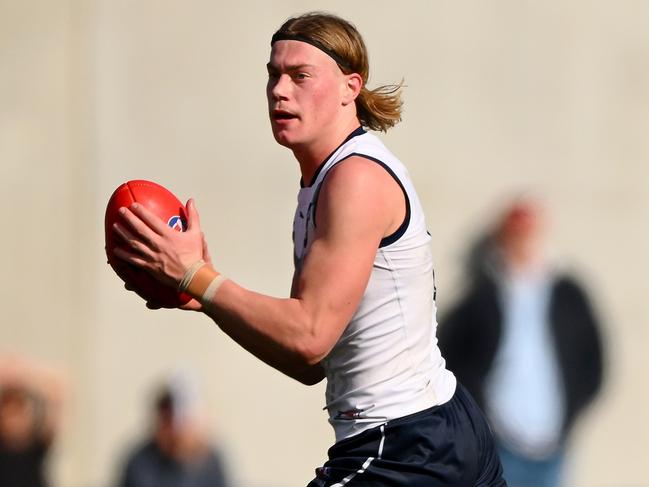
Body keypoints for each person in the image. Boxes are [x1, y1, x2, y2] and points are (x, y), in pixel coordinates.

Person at [111, 12, 506, 486]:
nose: (280, 89)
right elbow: (308, 364)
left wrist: (197, 274)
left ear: (350, 87)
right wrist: (203, 297)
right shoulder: (321, 184)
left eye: (300, 76)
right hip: (432, 432)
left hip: (405, 444)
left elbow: (309, 335)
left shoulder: (354, 179)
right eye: (273, 74)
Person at [438, 197, 605, 487]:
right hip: (499, 441)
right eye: (514, 236)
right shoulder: (482, 295)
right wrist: (479, 419)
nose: (521, 245)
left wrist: (572, 411)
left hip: (553, 442)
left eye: (527, 235)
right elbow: (450, 358)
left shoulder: (568, 294)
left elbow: (594, 360)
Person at [118, 379, 229, 487]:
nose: (174, 431)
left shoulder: (211, 461)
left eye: (182, 422)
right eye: (167, 421)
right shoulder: (141, 464)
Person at [0, 354, 66, 487]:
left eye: (18, 414)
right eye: (9, 414)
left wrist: (25, 374)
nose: (14, 421)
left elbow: (57, 392)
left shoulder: (37, 444)